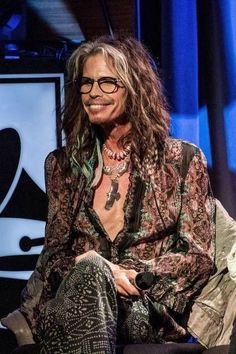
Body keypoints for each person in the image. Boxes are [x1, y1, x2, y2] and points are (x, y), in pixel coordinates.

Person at [1, 36, 216, 353]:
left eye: (106, 83)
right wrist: (94, 267)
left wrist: (133, 277)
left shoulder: (182, 160)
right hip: (71, 301)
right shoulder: (63, 165)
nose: (92, 93)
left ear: (135, 88)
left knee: (93, 273)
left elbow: (198, 256)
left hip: (144, 306)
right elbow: (54, 255)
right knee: (89, 270)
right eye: (86, 84)